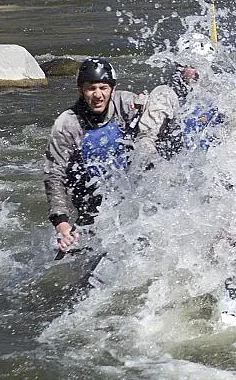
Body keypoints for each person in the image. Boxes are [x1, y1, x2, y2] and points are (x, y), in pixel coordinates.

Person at [44, 58, 145, 253]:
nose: (98, 95)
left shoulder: (128, 105)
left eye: (103, 88)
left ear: (112, 89)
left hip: (129, 193)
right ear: (80, 91)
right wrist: (61, 223)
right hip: (90, 202)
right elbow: (54, 175)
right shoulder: (67, 124)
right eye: (91, 88)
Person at [134, 33, 221, 164]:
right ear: (180, 66)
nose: (198, 73)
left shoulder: (215, 94)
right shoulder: (165, 94)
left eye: (203, 66)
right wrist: (160, 169)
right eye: (193, 66)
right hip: (173, 167)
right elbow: (145, 140)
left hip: (207, 165)